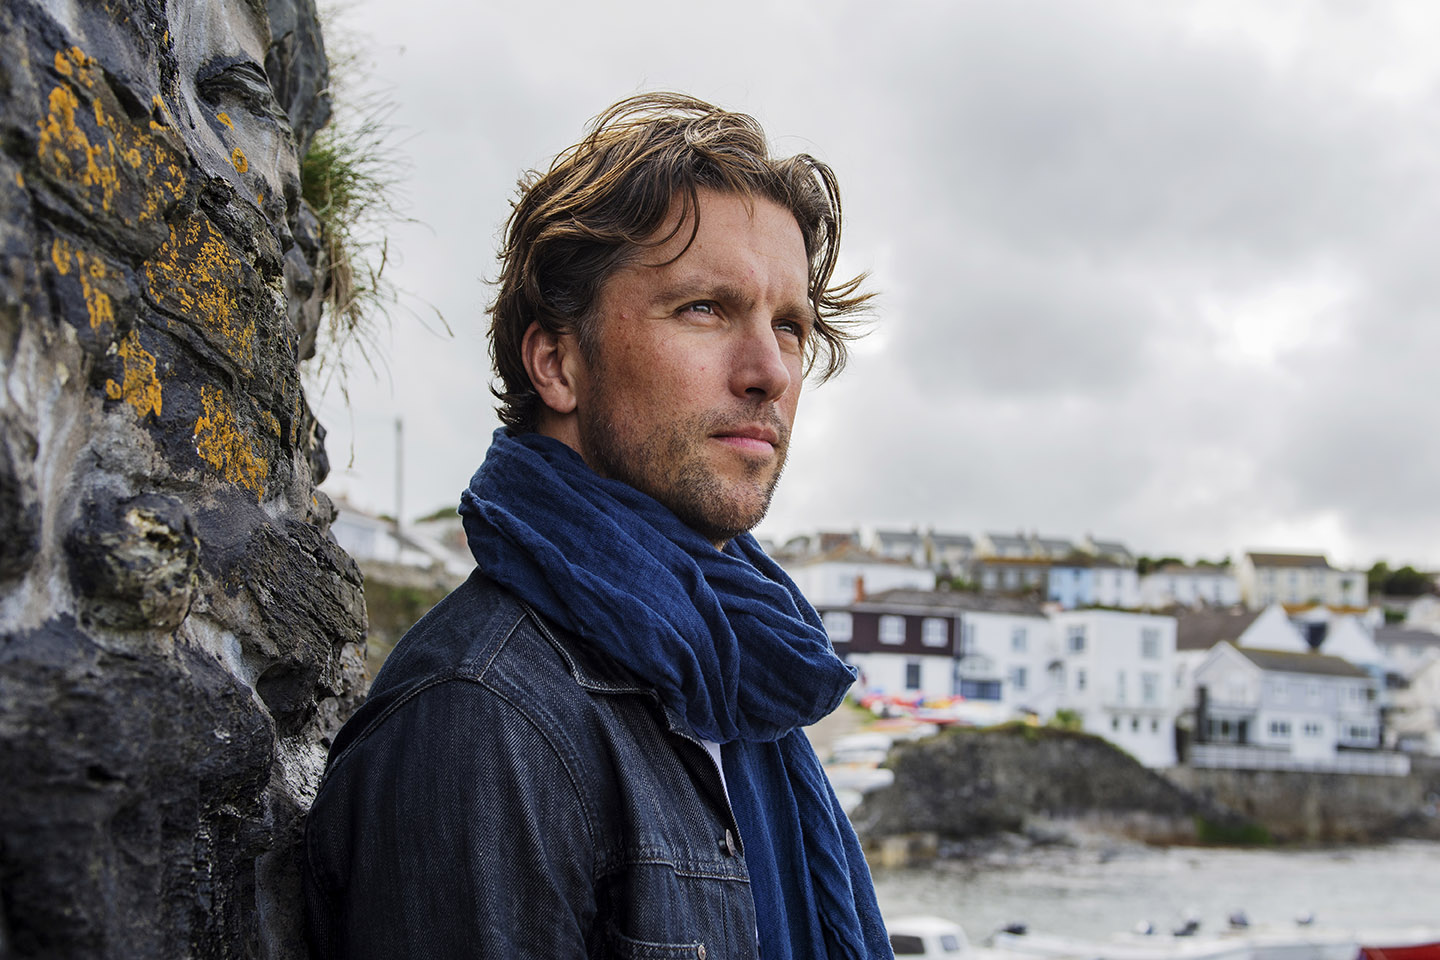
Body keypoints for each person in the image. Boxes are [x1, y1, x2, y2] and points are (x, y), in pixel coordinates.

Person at [303, 92, 893, 959]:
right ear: (557, 363)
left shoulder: (752, 676)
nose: (770, 370)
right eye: (705, 308)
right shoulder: (481, 721)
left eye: (791, 326)